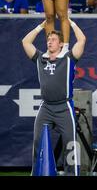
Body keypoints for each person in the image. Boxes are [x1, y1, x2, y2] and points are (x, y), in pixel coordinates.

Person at [22, 19, 86, 176]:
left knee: (70, 144)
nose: (49, 42)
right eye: (48, 40)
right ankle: (36, 172)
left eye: (53, 40)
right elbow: (25, 42)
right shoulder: (40, 59)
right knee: (38, 142)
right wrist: (40, 26)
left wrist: (70, 22)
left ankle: (72, 174)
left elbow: (82, 39)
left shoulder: (69, 59)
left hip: (64, 107)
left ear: (61, 44)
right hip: (46, 107)